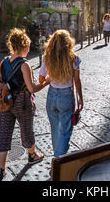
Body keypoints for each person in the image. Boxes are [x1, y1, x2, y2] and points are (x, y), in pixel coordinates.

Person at [0, 28, 50, 182]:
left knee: (4, 133)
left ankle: (1, 170)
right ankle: (33, 155)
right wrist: (46, 83)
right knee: (26, 129)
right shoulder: (24, 65)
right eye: (28, 46)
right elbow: (32, 88)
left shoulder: (3, 62)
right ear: (24, 46)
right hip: (22, 102)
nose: (28, 49)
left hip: (6, 102)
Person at [39, 29, 83, 157]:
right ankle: (59, 159)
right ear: (68, 42)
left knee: (55, 129)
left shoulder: (47, 57)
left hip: (51, 96)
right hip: (66, 96)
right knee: (65, 129)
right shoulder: (74, 58)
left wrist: (51, 77)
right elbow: (77, 80)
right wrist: (80, 98)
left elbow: (41, 79)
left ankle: (57, 155)